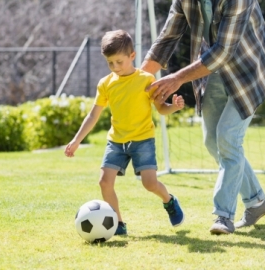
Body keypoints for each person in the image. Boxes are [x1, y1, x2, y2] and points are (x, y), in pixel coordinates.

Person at [141, 0, 265, 235]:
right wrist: (139, 81)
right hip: (213, 73)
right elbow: (167, 39)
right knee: (212, 142)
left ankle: (223, 216)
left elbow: (221, 53)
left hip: (249, 73)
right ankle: (256, 202)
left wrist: (176, 78)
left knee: (228, 139)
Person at [64, 29, 185, 236]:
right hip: (116, 141)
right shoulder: (106, 84)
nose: (115, 67)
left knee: (150, 184)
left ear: (132, 56)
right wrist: (76, 141)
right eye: (110, 63)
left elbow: (162, 108)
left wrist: (174, 106)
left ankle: (169, 201)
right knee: (104, 182)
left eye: (119, 62)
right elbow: (93, 115)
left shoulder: (147, 80)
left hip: (143, 140)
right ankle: (118, 223)